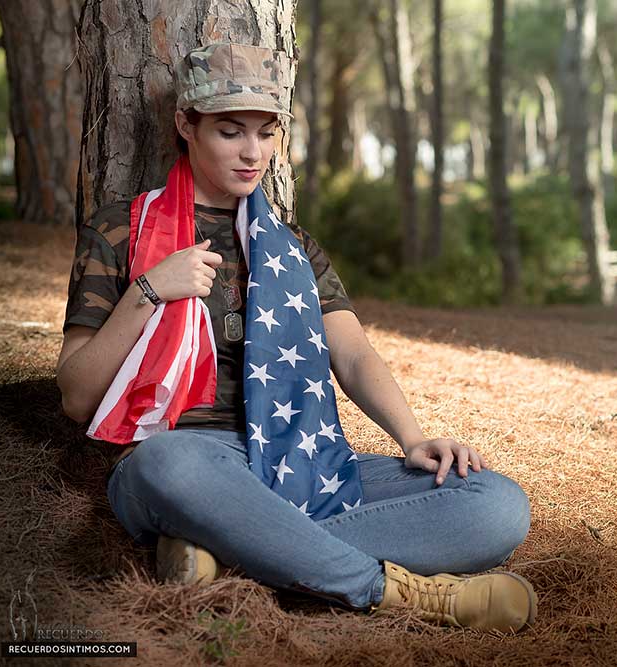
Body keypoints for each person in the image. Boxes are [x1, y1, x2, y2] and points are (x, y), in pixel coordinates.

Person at [56, 42, 536, 633]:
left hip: (297, 454)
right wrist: (149, 291)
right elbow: (77, 396)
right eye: (230, 132)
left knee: (496, 505)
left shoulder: (293, 248)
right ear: (186, 124)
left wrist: (413, 438)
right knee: (166, 465)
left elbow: (353, 354)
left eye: (266, 132)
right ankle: (392, 593)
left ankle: (233, 550)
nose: (252, 153)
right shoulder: (120, 229)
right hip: (187, 456)